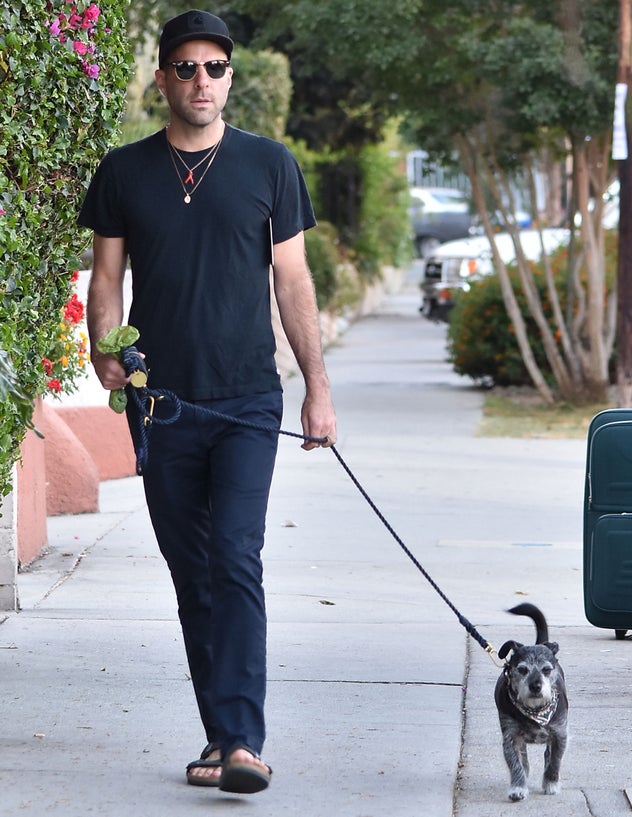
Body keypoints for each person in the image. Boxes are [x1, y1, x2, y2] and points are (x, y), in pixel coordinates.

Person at [78, 8, 337, 795]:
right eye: (185, 67)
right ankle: (220, 736)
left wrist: (317, 390)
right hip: (161, 406)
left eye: (214, 68)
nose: (201, 80)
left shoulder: (269, 165)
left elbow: (292, 281)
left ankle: (244, 740)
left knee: (235, 558)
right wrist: (105, 348)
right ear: (162, 78)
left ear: (230, 79)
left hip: (248, 401)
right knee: (193, 574)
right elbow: (106, 278)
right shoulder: (124, 172)